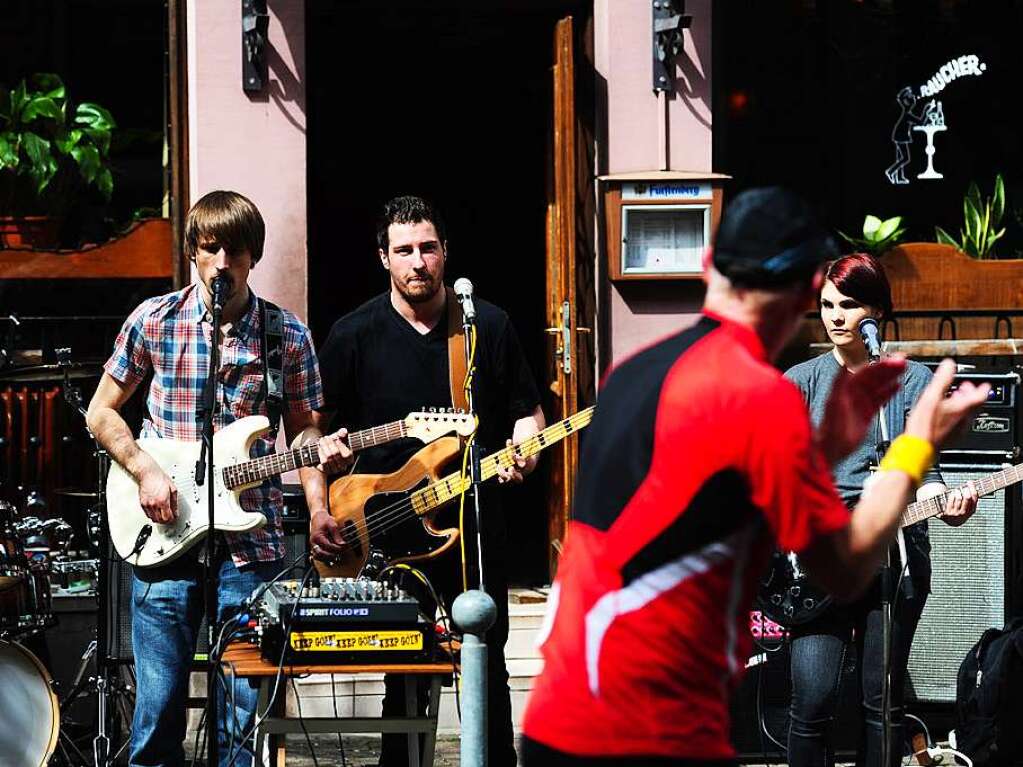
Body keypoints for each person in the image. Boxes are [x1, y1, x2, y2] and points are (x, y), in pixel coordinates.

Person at [520, 187, 989, 766]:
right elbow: (840, 562)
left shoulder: (630, 376)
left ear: (706, 267)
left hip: (562, 705)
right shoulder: (761, 397)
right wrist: (917, 445)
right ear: (799, 298)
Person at [86, 190, 353, 766]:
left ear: (253, 256)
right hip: (162, 535)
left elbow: (304, 438)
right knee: (158, 712)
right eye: (211, 249)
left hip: (252, 546)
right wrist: (146, 470)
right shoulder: (153, 321)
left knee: (241, 716)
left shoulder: (288, 336)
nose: (223, 263)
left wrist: (320, 507)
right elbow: (101, 411)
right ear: (193, 254)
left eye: (236, 251)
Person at [311, 194, 545, 767]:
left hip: (474, 519)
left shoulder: (484, 324)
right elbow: (312, 436)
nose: (418, 262)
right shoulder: (353, 333)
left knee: (486, 657)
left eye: (428, 248)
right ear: (383, 259)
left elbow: (527, 412)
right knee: (403, 666)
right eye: (405, 251)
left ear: (445, 253)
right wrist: (322, 500)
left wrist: (525, 448)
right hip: (386, 528)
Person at [785, 253, 977, 767]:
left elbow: (923, 471)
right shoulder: (800, 382)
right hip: (818, 564)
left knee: (883, 706)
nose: (836, 316)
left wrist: (949, 504)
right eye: (827, 304)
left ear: (878, 313)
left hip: (894, 563)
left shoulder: (910, 382)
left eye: (849, 304)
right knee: (813, 700)